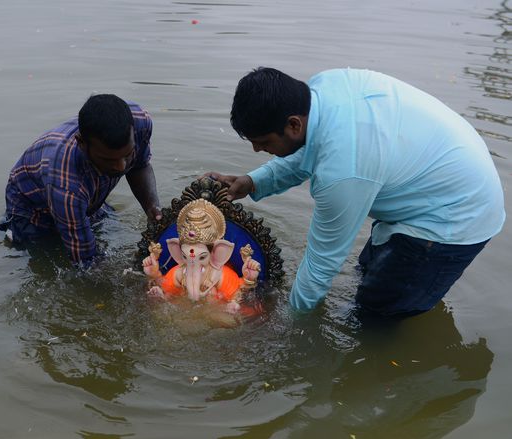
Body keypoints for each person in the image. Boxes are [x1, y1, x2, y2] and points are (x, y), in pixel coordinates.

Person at [207, 67, 505, 316]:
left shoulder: (343, 170)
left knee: (373, 317)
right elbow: (308, 151)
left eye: (263, 141)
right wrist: (253, 181)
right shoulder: (322, 90)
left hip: (454, 219)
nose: (258, 149)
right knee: (367, 273)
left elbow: (321, 264)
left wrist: (289, 321)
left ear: (293, 124)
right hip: (438, 177)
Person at [0, 94, 161, 264]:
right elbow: (86, 259)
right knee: (49, 258)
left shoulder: (139, 122)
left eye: (128, 155)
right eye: (109, 160)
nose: (121, 167)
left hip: (79, 195)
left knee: (105, 227)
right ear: (81, 143)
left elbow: (140, 165)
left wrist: (152, 209)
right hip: (33, 212)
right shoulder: (65, 185)